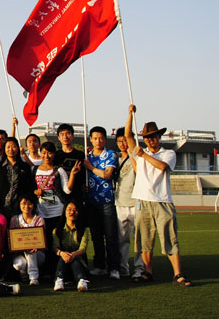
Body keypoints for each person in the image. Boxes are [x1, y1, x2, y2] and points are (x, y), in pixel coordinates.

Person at [125, 105, 192, 286]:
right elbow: (128, 135)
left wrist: (143, 155)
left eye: (153, 136)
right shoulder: (140, 151)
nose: (150, 140)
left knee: (170, 238)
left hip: (162, 201)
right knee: (144, 240)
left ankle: (178, 273)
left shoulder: (168, 153)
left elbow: (162, 167)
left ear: (158, 137)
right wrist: (130, 114)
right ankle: (148, 272)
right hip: (143, 201)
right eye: (147, 137)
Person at [33, 141, 77, 275]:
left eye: (50, 153)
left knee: (57, 242)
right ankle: (47, 272)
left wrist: (73, 175)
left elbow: (67, 190)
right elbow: (30, 189)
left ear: (54, 154)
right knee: (44, 243)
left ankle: (60, 271)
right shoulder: (34, 170)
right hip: (41, 212)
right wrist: (35, 192)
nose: (47, 156)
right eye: (44, 153)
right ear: (40, 153)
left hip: (57, 212)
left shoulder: (59, 170)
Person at [82, 126, 120, 279]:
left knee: (110, 236)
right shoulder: (87, 156)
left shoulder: (110, 154)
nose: (98, 141)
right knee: (96, 236)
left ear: (105, 139)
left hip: (107, 200)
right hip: (91, 201)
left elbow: (107, 174)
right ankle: (99, 266)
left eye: (101, 138)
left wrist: (90, 167)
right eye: (95, 138)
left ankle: (114, 268)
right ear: (91, 139)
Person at [114, 127, 144, 279]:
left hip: (136, 202)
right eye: (119, 141)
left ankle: (139, 268)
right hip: (120, 203)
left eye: (125, 140)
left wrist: (132, 154)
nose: (122, 144)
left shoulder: (138, 157)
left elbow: (139, 170)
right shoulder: (115, 158)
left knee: (139, 238)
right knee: (122, 239)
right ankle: (123, 267)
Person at [53, 200, 91, 292]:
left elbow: (83, 249)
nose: (72, 212)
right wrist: (62, 254)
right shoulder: (57, 230)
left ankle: (82, 281)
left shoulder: (84, 230)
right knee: (64, 255)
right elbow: (55, 248)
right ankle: (59, 280)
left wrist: (73, 255)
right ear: (64, 211)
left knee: (74, 258)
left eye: (75, 210)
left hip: (79, 263)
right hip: (62, 264)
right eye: (69, 209)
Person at [0, 137, 35, 219]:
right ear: (4, 149)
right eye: (8, 147)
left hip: (20, 208)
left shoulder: (25, 166)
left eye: (13, 146)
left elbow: (29, 187)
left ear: (18, 148)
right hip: (2, 207)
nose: (11, 149)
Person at [10, 194, 46, 285]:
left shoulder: (39, 220)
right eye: (23, 203)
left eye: (30, 204)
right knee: (19, 264)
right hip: (20, 254)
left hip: (38, 254)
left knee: (30, 250)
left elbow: (42, 239)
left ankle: (34, 278)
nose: (26, 206)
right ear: (19, 205)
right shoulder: (14, 220)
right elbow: (11, 240)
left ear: (33, 205)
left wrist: (34, 246)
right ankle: (24, 276)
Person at [54, 123, 86, 208]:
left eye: (68, 133)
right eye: (62, 134)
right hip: (60, 194)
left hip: (77, 193)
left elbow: (83, 173)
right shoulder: (55, 155)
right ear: (58, 137)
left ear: (72, 136)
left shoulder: (80, 155)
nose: (65, 137)